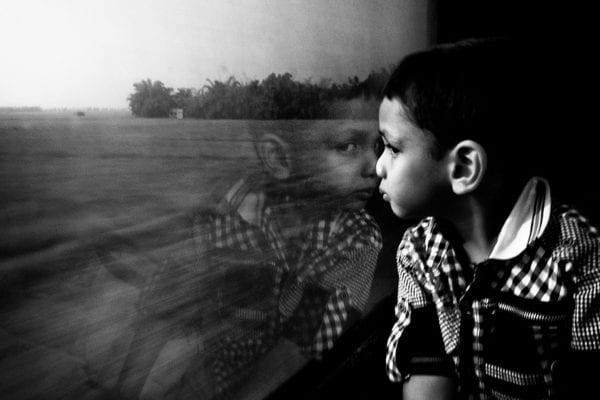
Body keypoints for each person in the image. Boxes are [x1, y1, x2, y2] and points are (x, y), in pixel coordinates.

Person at [376, 37, 600, 399]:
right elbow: (427, 366)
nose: (379, 167)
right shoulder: (418, 253)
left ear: (464, 167)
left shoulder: (578, 253)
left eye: (393, 147)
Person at [123, 118, 383, 400]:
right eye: (348, 146)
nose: (377, 166)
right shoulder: (226, 211)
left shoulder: (355, 238)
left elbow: (291, 360)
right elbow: (161, 309)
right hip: (211, 372)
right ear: (278, 157)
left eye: (379, 145)